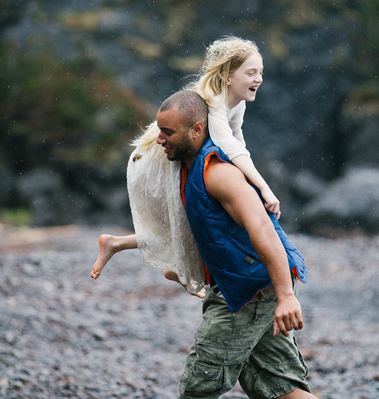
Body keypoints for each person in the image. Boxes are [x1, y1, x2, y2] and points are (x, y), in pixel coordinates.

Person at [90, 37, 281, 297]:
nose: (258, 79)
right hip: (163, 158)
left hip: (187, 159)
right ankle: (177, 269)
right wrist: (264, 187)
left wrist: (246, 181)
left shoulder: (239, 103)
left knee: (192, 221)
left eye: (260, 72)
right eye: (251, 73)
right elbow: (228, 145)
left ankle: (117, 243)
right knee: (187, 221)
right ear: (227, 76)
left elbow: (238, 142)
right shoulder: (215, 101)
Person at [156, 89, 314, 398]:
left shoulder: (218, 173)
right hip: (249, 287)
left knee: (197, 389)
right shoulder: (188, 165)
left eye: (167, 132)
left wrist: (286, 296)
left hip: (253, 290)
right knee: (281, 390)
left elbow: (263, 227)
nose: (159, 139)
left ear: (196, 130)